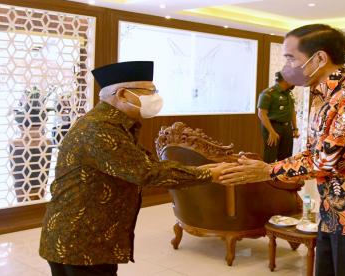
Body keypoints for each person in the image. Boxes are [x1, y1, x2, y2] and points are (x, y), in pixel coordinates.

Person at [219, 24, 345, 276]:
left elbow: (327, 159)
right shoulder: (321, 96)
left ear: (319, 58)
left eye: (290, 57)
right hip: (334, 211)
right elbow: (312, 152)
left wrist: (268, 171)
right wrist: (267, 169)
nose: (285, 66)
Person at [39, 61, 232, 276]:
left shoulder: (114, 124)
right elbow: (146, 173)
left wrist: (204, 168)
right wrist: (208, 174)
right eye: (148, 92)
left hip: (88, 235)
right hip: (80, 239)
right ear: (122, 94)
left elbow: (145, 162)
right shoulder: (101, 129)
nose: (154, 97)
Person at [257, 71, 299, 163]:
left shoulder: (289, 93)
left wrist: (295, 128)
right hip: (273, 127)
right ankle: (268, 176)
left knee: (286, 157)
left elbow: (292, 111)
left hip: (287, 127)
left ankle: (281, 177)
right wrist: (271, 132)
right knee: (270, 157)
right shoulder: (268, 93)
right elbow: (261, 113)